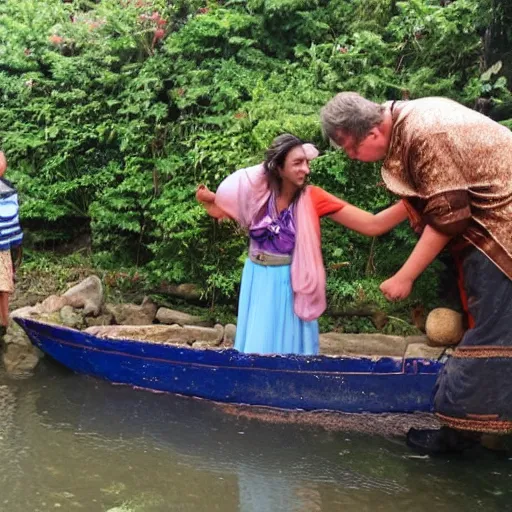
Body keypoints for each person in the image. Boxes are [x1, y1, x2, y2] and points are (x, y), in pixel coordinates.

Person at [320, 92, 512, 454]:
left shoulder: (424, 133)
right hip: (495, 228)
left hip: (501, 233)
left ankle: (461, 435)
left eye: (350, 149)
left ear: (373, 133)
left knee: (493, 331)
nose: (351, 157)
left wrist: (405, 275)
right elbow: (402, 210)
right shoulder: (412, 118)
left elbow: (448, 218)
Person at [196, 134, 408, 356]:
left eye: (306, 162)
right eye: (297, 163)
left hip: (290, 280)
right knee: (255, 351)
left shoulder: (313, 197)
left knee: (288, 353)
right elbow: (230, 207)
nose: (306, 169)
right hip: (256, 278)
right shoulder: (258, 195)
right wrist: (214, 200)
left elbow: (373, 224)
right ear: (278, 168)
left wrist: (413, 202)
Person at [0, 151, 23, 336]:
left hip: (4, 248)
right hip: (5, 247)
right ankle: (5, 320)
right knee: (4, 287)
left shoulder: (7, 189)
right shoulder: (8, 190)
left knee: (4, 286)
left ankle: (5, 321)